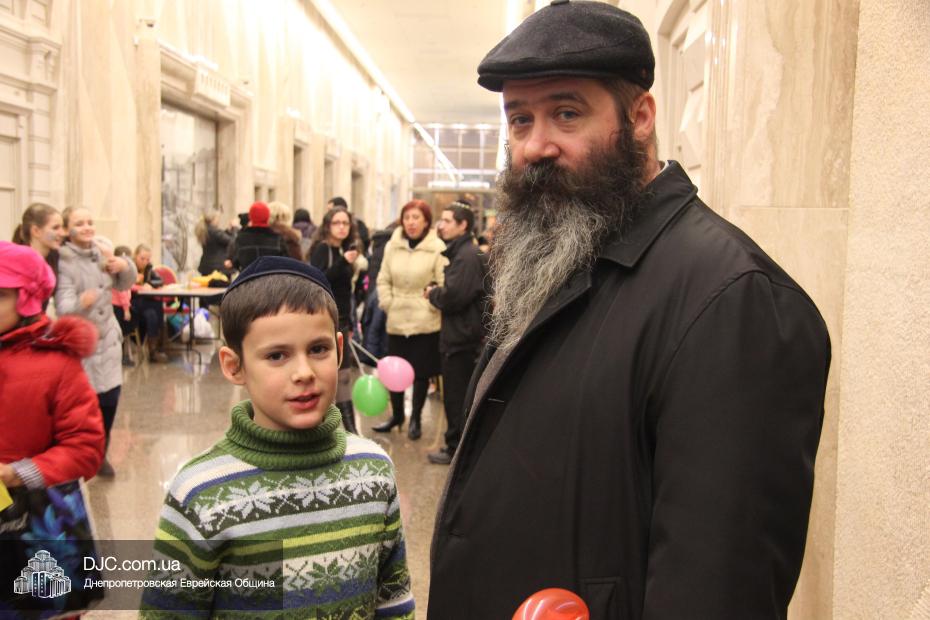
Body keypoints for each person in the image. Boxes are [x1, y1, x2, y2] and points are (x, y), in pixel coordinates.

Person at [428, 3, 832, 619]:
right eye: (520, 119)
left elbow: (715, 591)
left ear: (640, 117)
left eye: (567, 113)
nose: (535, 146)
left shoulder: (735, 300)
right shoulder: (558, 252)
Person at [140, 257, 414, 618]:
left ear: (339, 349)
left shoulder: (374, 470)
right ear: (234, 366)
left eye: (318, 349)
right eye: (277, 355)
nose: (303, 372)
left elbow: (394, 599)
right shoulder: (200, 492)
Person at [0, 241, 105, 491]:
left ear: (25, 300)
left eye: (1, 295)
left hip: (20, 506)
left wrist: (18, 474)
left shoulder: (58, 366)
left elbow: (84, 449)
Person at [56, 207, 137, 478]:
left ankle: (101, 453)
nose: (87, 227)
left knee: (110, 401)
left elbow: (124, 284)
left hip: (109, 341)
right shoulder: (64, 261)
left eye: (90, 222)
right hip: (83, 346)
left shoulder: (102, 251)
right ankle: (84, 455)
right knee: (87, 406)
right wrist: (82, 301)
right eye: (79, 223)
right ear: (68, 229)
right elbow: (63, 307)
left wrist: (124, 266)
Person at [373, 200, 446, 440]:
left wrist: (429, 304)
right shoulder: (392, 245)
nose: (411, 223)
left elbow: (443, 282)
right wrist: (388, 303)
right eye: (407, 218)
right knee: (394, 370)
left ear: (426, 221)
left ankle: (415, 418)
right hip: (396, 318)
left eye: (416, 218)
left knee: (421, 372)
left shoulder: (436, 247)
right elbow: (383, 279)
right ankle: (397, 416)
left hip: (425, 321)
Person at [424, 201, 487, 465]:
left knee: (457, 397)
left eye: (448, 220)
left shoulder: (467, 256)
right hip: (461, 335)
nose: (441, 225)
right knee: (456, 395)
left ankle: (456, 449)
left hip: (462, 339)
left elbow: (455, 297)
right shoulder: (462, 253)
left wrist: (433, 293)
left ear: (463, 225)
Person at [309, 206, 369, 434]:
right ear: (327, 226)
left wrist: (351, 324)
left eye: (345, 223)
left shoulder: (346, 249)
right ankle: (330, 428)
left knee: (343, 376)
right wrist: (343, 262)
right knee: (326, 375)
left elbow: (346, 292)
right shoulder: (322, 249)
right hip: (323, 320)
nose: (342, 227)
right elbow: (318, 281)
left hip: (342, 319)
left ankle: (351, 431)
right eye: (337, 223)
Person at [12, 203, 65, 310]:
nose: (62, 233)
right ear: (36, 231)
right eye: (55, 228)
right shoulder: (18, 261)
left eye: (62, 227)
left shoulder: (54, 256)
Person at [129, 243, 168, 363]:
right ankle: (158, 347)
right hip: (131, 302)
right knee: (156, 306)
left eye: (147, 259)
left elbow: (160, 281)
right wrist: (139, 286)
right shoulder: (129, 268)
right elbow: (126, 286)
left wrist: (149, 284)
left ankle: (154, 350)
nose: (145, 262)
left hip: (144, 303)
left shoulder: (149, 268)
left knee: (152, 313)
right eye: (142, 258)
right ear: (135, 256)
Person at [226, 201, 288, 271]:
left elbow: (236, 262)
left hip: (248, 276)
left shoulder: (241, 238)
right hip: (271, 276)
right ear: (268, 216)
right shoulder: (277, 238)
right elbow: (285, 261)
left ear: (250, 216)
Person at [195, 210, 234, 276]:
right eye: (217, 218)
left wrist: (228, 231)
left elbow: (219, 240)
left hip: (206, 267)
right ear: (213, 220)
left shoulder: (206, 230)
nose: (218, 220)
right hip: (218, 268)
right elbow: (231, 241)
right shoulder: (214, 231)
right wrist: (234, 229)